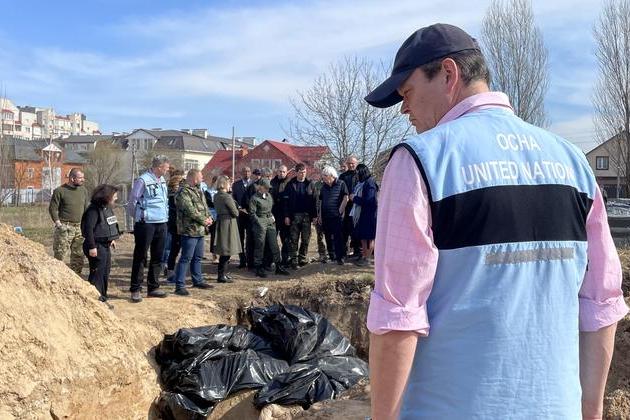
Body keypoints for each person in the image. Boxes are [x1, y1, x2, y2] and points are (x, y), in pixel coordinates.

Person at [364, 23, 628, 419]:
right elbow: (602, 303)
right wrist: (590, 411)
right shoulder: (573, 162)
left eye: (407, 92)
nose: (404, 109)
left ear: (448, 74)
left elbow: (397, 318)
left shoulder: (420, 161)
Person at [127, 155, 171, 302]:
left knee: (157, 256)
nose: (167, 170)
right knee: (141, 256)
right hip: (146, 223)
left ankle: (153, 287)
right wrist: (138, 216)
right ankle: (135, 289)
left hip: (161, 222)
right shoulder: (143, 180)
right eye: (166, 168)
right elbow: (133, 200)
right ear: (159, 167)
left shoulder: (162, 180)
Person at [173, 169, 214, 295]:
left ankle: (198, 280)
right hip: (189, 230)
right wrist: (203, 220)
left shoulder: (198, 190)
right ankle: (179, 285)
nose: (202, 179)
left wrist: (209, 217)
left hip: (200, 230)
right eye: (201, 177)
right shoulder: (183, 191)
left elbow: (205, 207)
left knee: (198, 257)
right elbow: (189, 210)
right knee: (186, 257)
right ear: (194, 178)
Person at [80, 184, 120, 302]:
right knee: (97, 274)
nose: (116, 198)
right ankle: (94, 299)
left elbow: (108, 225)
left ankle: (102, 296)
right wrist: (92, 247)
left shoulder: (107, 208)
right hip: (95, 245)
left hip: (105, 245)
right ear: (106, 196)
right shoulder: (93, 210)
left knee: (105, 272)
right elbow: (88, 229)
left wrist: (111, 239)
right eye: (114, 196)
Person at [49, 168, 89, 275]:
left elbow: (86, 209)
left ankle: (76, 277)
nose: (83, 180)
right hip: (65, 227)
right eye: (80, 178)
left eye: (83, 177)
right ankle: (57, 277)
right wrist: (58, 224)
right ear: (72, 178)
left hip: (79, 228)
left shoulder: (83, 191)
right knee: (60, 254)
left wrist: (87, 225)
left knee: (78, 255)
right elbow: (53, 209)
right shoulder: (59, 191)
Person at [249, 178, 290, 278]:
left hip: (270, 221)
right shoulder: (254, 198)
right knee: (260, 245)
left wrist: (272, 217)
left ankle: (278, 266)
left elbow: (271, 207)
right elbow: (252, 213)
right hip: (260, 221)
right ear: (260, 187)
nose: (267, 190)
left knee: (274, 244)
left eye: (268, 188)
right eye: (266, 188)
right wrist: (259, 222)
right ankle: (258, 266)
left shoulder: (269, 196)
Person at [284, 163, 316, 269]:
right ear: (296, 172)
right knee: (294, 239)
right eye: (301, 172)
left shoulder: (310, 184)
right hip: (294, 216)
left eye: (305, 172)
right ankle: (294, 259)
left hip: (307, 216)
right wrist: (287, 216)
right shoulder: (290, 184)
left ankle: (302, 258)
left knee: (306, 239)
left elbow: (314, 201)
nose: (303, 174)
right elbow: (286, 202)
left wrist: (314, 216)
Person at [318, 166, 349, 265]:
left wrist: (340, 211)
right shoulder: (324, 187)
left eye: (324, 176)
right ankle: (332, 256)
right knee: (327, 236)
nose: (323, 178)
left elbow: (346, 198)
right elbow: (321, 202)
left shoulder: (341, 183)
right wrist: (320, 215)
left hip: (337, 216)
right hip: (326, 216)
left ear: (331, 175)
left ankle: (340, 257)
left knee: (338, 237)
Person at [213, 175, 241, 283]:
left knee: (224, 249)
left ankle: (223, 274)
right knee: (226, 250)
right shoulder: (227, 197)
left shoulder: (216, 196)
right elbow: (235, 212)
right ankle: (221, 275)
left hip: (221, 221)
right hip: (228, 223)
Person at [349, 164, 378, 266]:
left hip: (369, 214)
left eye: (358, 172)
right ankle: (364, 256)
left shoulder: (370, 183)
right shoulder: (361, 183)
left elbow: (369, 200)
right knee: (363, 236)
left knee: (369, 237)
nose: (356, 175)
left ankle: (368, 258)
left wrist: (355, 198)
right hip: (361, 214)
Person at [164, 171, 184, 281]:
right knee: (172, 248)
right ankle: (169, 269)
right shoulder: (172, 196)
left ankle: (169, 268)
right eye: (180, 184)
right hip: (174, 225)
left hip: (174, 224)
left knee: (173, 249)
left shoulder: (174, 195)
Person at [339, 156, 361, 259]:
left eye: (353, 163)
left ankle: (357, 251)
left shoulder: (360, 175)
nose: (351, 165)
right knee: (344, 229)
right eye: (349, 163)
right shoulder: (343, 176)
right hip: (346, 206)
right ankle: (343, 252)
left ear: (356, 163)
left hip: (357, 206)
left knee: (356, 229)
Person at [232, 167, 253, 268]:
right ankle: (242, 260)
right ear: (241, 173)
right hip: (239, 215)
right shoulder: (236, 185)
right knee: (240, 238)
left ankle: (250, 260)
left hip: (250, 215)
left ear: (250, 173)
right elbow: (233, 199)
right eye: (244, 171)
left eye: (248, 171)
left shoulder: (254, 184)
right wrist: (239, 208)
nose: (246, 173)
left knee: (250, 239)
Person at [270, 165, 291, 267]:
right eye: (280, 171)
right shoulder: (272, 183)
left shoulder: (289, 183)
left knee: (285, 239)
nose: (282, 173)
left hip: (285, 215)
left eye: (284, 172)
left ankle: (285, 260)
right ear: (277, 172)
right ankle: (271, 260)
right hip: (273, 214)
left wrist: (288, 215)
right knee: (272, 239)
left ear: (286, 172)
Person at [311, 175, 328, 263]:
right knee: (320, 235)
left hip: (328, 213)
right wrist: (315, 215)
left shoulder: (331, 184)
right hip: (318, 213)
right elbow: (313, 200)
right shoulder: (316, 185)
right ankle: (322, 254)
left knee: (330, 235)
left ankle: (331, 253)